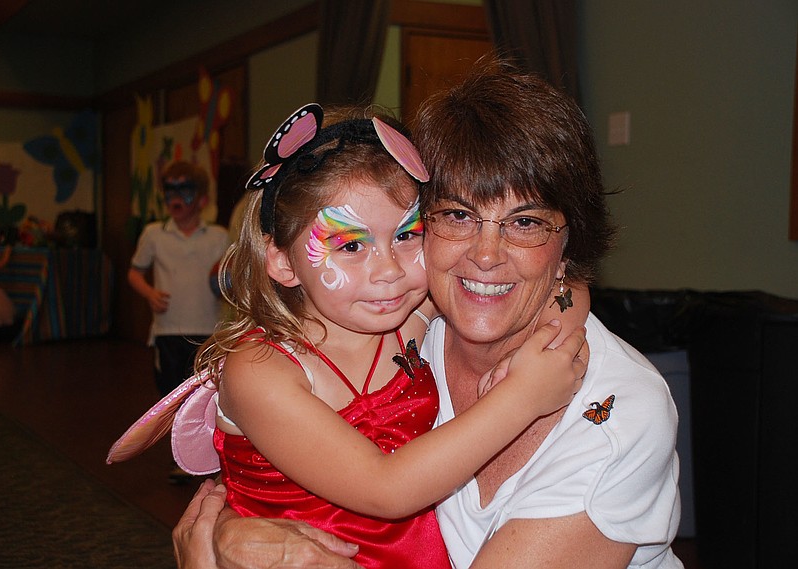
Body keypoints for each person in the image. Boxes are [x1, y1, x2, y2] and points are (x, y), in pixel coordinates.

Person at [174, 58, 683, 569]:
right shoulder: (418, 324)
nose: (485, 256)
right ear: (280, 261)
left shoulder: (620, 415)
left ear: (569, 245)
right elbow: (364, 485)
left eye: (525, 222)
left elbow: (565, 287)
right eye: (457, 216)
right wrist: (228, 531)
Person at [128, 161, 230, 398]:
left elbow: (229, 276)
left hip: (208, 330)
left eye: (185, 192)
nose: (175, 198)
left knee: (205, 396)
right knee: (170, 395)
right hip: (168, 330)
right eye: (169, 191)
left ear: (202, 200)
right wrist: (150, 293)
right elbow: (134, 273)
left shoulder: (219, 236)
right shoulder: (154, 234)